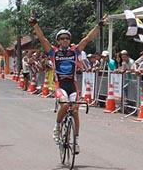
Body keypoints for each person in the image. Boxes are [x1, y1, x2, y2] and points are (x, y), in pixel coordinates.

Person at [29, 14, 107, 154]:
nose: (65, 40)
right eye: (62, 38)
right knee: (65, 104)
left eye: (67, 38)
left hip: (72, 85)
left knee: (76, 111)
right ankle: (57, 126)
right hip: (61, 85)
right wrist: (35, 24)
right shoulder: (54, 52)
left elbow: (87, 39)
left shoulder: (75, 51)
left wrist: (99, 26)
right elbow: (42, 38)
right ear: (58, 41)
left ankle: (76, 140)